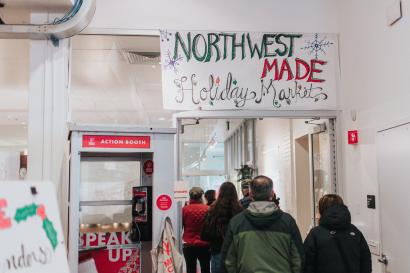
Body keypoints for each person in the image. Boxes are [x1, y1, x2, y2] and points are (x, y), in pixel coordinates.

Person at [221, 175, 304, 273]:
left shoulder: (236, 222)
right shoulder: (287, 221)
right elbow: (298, 260)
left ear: (251, 194)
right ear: (272, 194)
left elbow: (228, 261)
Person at [304, 194, 372, 273]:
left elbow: (307, 265)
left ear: (322, 210)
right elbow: (366, 263)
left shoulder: (315, 234)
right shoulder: (355, 232)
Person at [201, 182, 243, 273]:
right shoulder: (240, 210)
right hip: (237, 251)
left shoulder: (212, 210)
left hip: (217, 250)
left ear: (220, 193)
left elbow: (205, 234)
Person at [182, 187, 211, 273]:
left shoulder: (184, 210)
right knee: (205, 269)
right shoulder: (208, 209)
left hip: (189, 245)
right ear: (201, 196)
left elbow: (181, 226)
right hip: (205, 244)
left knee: (190, 269)